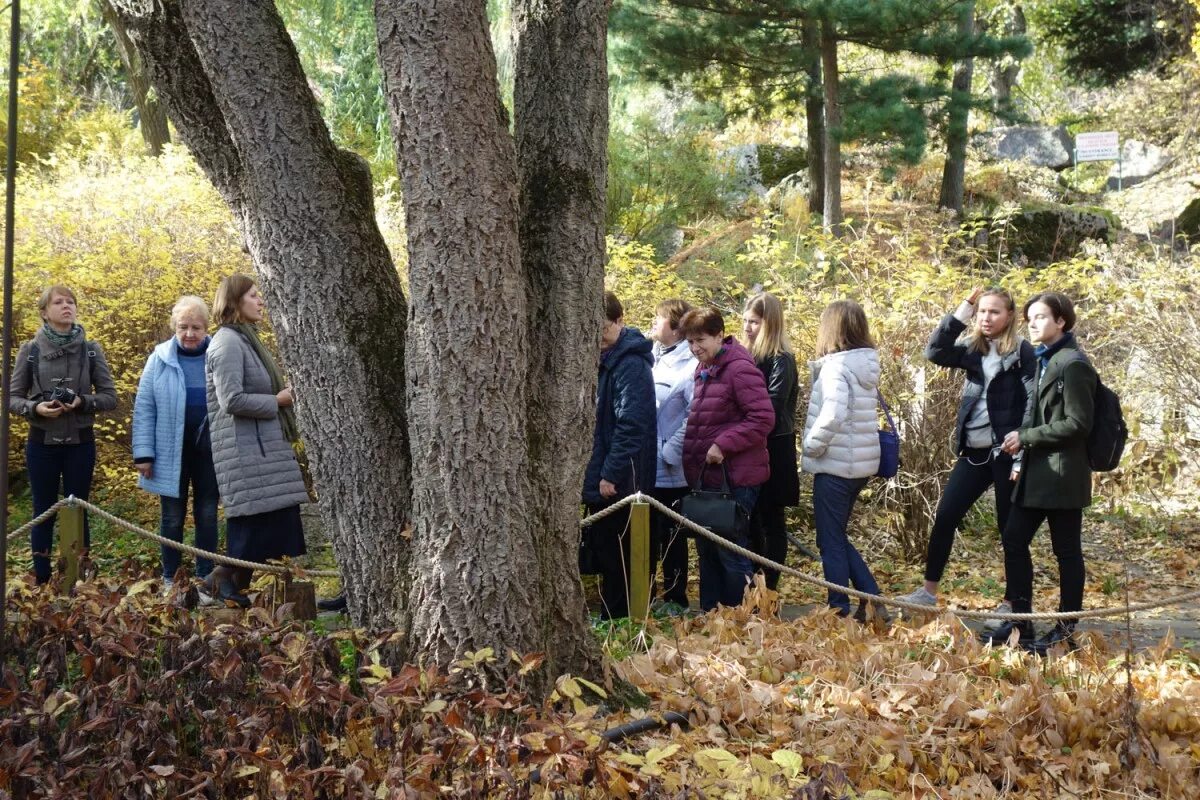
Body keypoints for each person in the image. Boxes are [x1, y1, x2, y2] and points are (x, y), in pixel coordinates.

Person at [895, 288, 1035, 617]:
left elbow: (1033, 398)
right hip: (973, 452)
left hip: (1005, 453)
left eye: (994, 312)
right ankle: (928, 593)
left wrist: (1023, 436)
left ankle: (1013, 603)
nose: (987, 318)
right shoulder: (974, 349)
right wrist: (963, 310)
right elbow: (934, 351)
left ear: (1010, 316)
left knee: (1010, 530)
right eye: (983, 312)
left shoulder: (1022, 352)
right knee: (945, 517)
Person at [984, 292, 1095, 653]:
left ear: (1061, 321)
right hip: (1037, 474)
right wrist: (1021, 455)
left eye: (1041, 317)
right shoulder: (1045, 359)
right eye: (1030, 317)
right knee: (1014, 539)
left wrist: (1027, 437)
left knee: (1067, 552)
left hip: (1062, 477)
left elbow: (1079, 424)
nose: (1032, 323)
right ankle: (1022, 624)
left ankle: (1065, 631)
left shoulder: (1072, 363)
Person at [203, 274, 309, 607]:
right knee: (251, 531)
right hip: (247, 453)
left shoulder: (247, 340)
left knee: (273, 528)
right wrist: (277, 401)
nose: (260, 300)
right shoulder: (227, 342)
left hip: (262, 449)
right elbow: (230, 399)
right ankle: (213, 588)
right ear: (234, 302)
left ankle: (230, 591)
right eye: (252, 295)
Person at [8, 285, 117, 584]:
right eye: (58, 302)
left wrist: (83, 402)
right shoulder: (30, 351)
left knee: (78, 509)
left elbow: (110, 397)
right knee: (43, 511)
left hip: (80, 443)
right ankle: (42, 581)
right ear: (44, 311)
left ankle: (79, 580)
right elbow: (12, 398)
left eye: (71, 302)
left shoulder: (91, 349)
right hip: (41, 443)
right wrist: (36, 408)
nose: (66, 306)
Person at [680, 306, 774, 611]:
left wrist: (723, 444)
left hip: (737, 477)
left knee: (730, 551)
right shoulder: (703, 369)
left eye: (701, 340)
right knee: (707, 550)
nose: (695, 348)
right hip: (707, 478)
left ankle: (744, 619)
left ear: (720, 335)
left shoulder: (739, 368)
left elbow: (762, 417)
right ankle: (712, 616)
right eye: (690, 342)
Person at [801, 300, 886, 621]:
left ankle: (839, 609)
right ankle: (872, 600)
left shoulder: (837, 366)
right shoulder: (864, 363)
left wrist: (810, 446)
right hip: (858, 465)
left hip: (835, 466)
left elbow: (833, 415)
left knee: (830, 541)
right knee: (833, 535)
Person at [132, 295, 220, 597]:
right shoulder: (159, 358)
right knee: (171, 517)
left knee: (208, 514)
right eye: (183, 326)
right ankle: (170, 578)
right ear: (174, 327)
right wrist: (143, 453)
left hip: (210, 450)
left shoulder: (218, 355)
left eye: (196, 327)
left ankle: (206, 579)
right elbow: (144, 407)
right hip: (170, 450)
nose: (190, 333)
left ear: (207, 327)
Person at [581, 292, 657, 620]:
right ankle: (612, 614)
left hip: (623, 477)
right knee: (603, 548)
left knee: (620, 553)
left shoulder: (631, 364)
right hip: (600, 470)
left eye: (604, 328)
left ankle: (620, 619)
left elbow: (631, 423)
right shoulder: (600, 361)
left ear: (619, 321)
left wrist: (611, 473)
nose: (599, 335)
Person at [742, 292, 799, 591]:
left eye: (754, 322)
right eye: (746, 321)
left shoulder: (782, 361)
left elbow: (772, 409)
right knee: (751, 520)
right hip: (751, 447)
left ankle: (770, 590)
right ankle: (753, 586)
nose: (748, 328)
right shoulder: (747, 357)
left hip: (775, 447)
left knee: (772, 520)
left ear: (770, 324)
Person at [648, 298, 697, 610]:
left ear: (677, 329)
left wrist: (670, 451)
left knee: (673, 537)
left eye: (660, 318)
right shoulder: (649, 358)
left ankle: (676, 599)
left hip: (673, 469)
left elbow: (695, 415)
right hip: (644, 466)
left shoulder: (691, 365)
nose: (654, 322)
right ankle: (645, 596)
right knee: (647, 534)